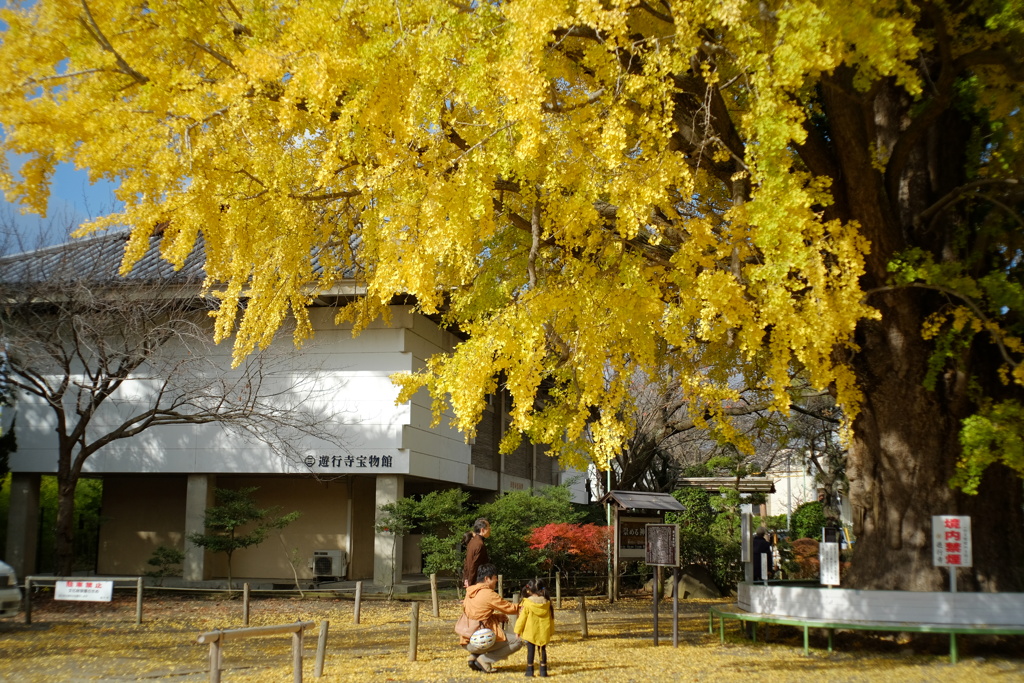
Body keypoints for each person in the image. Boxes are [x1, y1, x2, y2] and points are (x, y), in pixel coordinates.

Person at [462, 563, 522, 673]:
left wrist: (496, 616)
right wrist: (525, 607)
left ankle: (474, 656)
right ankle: (484, 660)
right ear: (486, 578)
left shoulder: (470, 591)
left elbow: (476, 615)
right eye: (495, 578)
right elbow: (510, 608)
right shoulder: (488, 593)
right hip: (479, 640)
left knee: (502, 636)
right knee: (517, 641)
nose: (496, 581)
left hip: (466, 639)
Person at [514, 578, 554, 678]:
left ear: (529, 590)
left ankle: (529, 671)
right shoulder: (547, 603)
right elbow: (551, 619)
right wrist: (551, 631)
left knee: (530, 651)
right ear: (542, 590)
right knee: (543, 650)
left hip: (530, 632)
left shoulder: (527, 603)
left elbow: (522, 618)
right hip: (543, 632)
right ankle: (543, 671)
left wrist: (517, 631)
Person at [463, 518, 491, 588]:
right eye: (488, 528)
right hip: (477, 583)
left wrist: (466, 578)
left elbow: (466, 562)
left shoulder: (472, 542)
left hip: (471, 581)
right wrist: (470, 583)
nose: (490, 530)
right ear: (482, 530)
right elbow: (475, 565)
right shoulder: (480, 544)